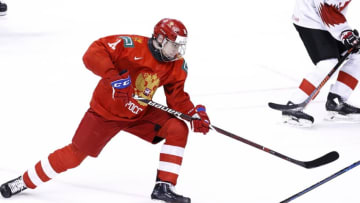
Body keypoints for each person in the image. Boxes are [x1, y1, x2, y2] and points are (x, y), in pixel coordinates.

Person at [0, 18, 211, 203]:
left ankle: (164, 186)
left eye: (179, 46)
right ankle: (24, 181)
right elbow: (93, 52)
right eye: (173, 45)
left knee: (177, 128)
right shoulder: (131, 45)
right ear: (160, 39)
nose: (177, 51)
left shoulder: (176, 65)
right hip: (105, 113)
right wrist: (114, 78)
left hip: (139, 113)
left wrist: (193, 114)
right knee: (74, 156)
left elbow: (177, 97)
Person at [279, 0, 360, 126]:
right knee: (328, 64)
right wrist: (345, 33)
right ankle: (293, 107)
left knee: (357, 55)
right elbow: (326, 9)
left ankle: (336, 102)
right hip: (309, 18)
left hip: (329, 19)